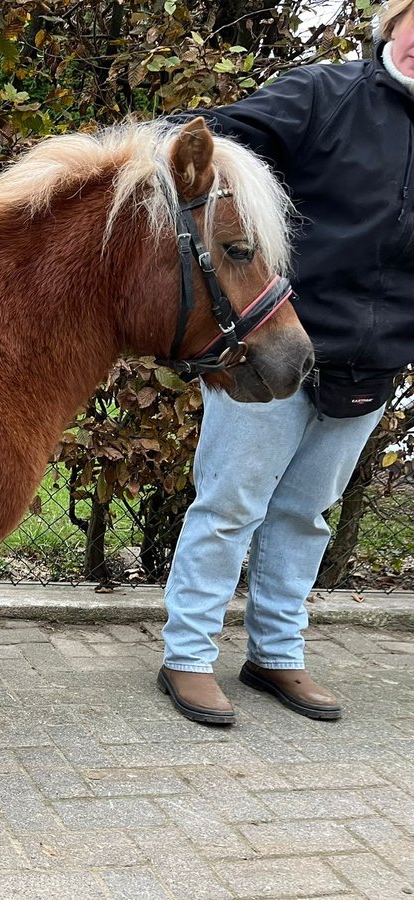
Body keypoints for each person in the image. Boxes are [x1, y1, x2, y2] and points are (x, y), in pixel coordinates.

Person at [157, 1, 414, 725]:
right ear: (393, 23)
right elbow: (201, 140)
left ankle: (275, 655)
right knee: (230, 505)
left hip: (373, 362)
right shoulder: (323, 96)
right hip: (269, 349)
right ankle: (187, 656)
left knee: (305, 515)